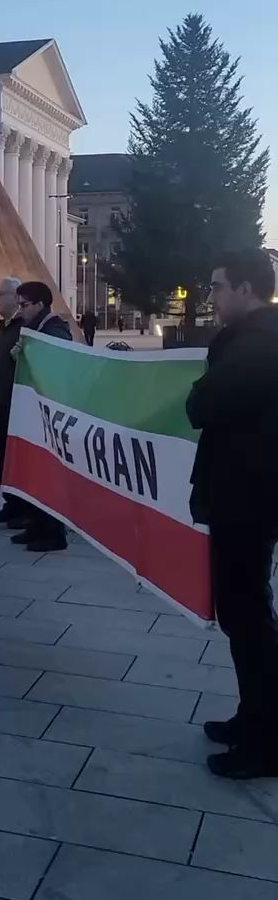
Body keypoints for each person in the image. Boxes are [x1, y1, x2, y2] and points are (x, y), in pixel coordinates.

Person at [186, 248, 278, 780]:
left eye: (218, 287)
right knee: (245, 616)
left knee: (249, 619)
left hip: (249, 499)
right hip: (246, 494)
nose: (212, 296)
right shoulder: (253, 340)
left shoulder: (258, 344)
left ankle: (267, 739)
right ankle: (254, 716)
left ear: (246, 290)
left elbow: (201, 405)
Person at [9, 280, 73, 552]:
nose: (21, 310)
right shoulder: (35, 329)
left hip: (50, 412)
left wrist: (25, 356)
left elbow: (53, 365)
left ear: (40, 304)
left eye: (25, 305)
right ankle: (37, 524)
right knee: (35, 469)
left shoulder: (54, 330)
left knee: (48, 472)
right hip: (36, 411)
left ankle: (53, 531)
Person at [0, 277, 26, 526]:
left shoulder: (23, 328)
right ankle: (10, 503)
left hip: (15, 406)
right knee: (2, 457)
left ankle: (22, 508)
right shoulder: (4, 327)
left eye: (1, 294)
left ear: (15, 297)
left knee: (16, 459)